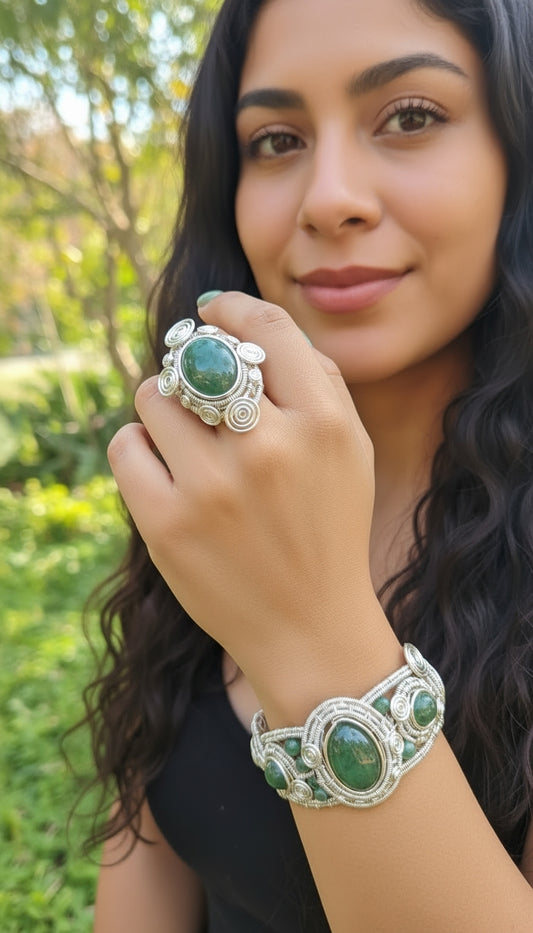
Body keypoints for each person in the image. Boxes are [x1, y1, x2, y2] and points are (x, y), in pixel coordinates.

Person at [86, 0, 533, 929]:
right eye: (277, 139)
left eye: (411, 116)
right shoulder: (216, 484)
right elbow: (144, 867)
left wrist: (313, 635)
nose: (327, 197)